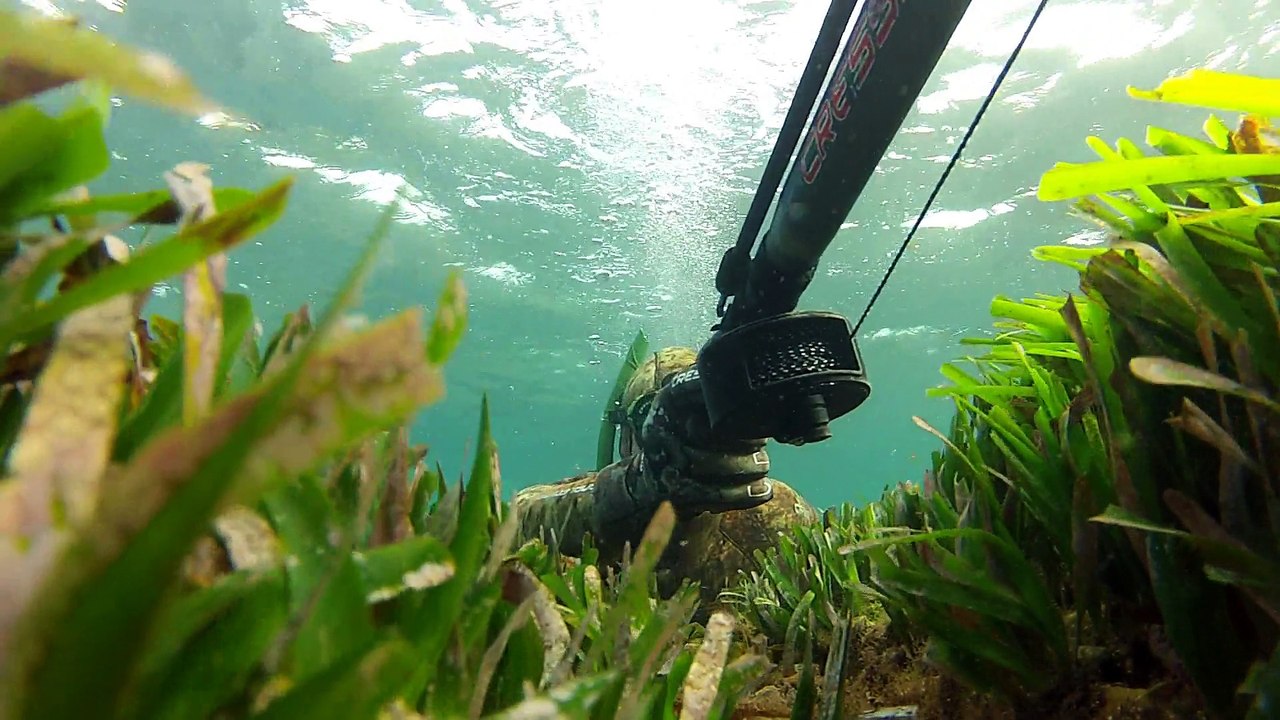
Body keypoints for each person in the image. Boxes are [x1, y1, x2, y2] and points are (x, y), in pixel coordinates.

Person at [512, 346, 819, 610]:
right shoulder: (587, 503)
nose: (681, 440)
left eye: (701, 423)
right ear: (628, 436)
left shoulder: (776, 512)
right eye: (654, 419)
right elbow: (514, 519)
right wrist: (629, 493)